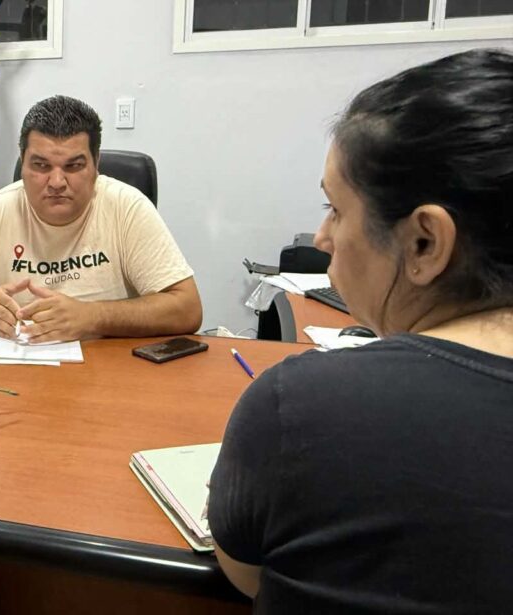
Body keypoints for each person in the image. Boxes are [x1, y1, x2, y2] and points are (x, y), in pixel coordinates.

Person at [208, 48, 513, 613]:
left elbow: (244, 574)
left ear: (424, 242)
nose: (322, 238)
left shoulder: (300, 407)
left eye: (336, 210)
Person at [0, 95, 202, 343]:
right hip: (16, 367)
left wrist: (92, 316)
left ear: (96, 165)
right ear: (23, 164)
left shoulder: (127, 208)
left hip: (107, 371)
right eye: (41, 165)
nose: (56, 182)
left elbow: (187, 308)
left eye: (73, 166)